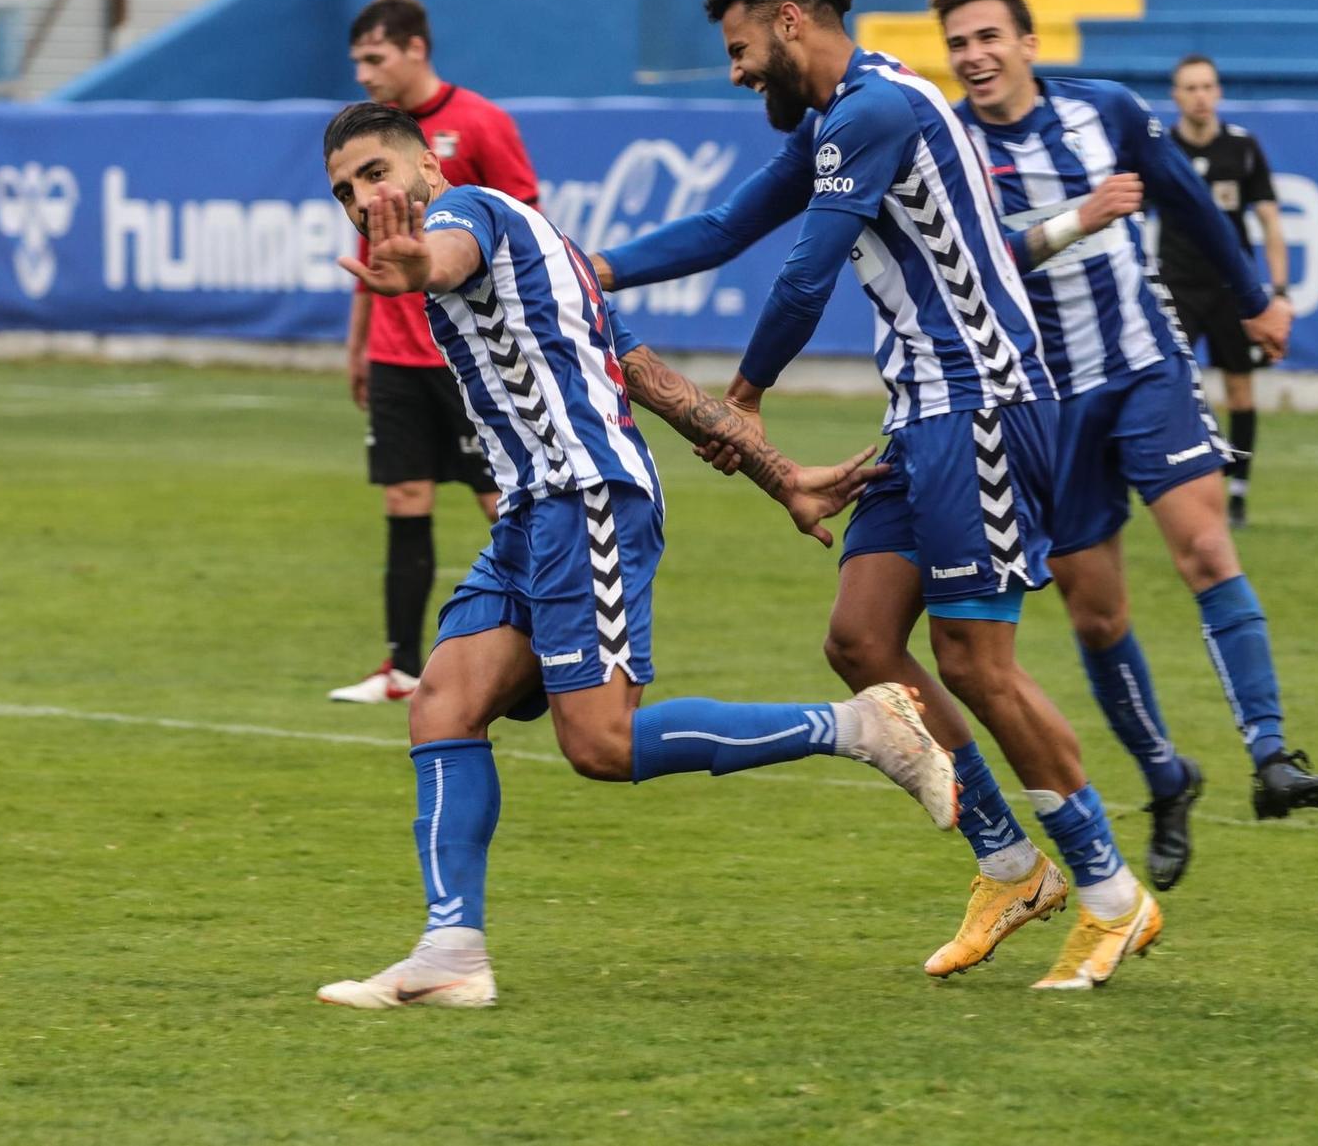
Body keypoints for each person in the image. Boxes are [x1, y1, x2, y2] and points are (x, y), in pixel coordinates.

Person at [313, 101, 959, 1009]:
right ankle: (452, 951)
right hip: (534, 514)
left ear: (429, 160)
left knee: (602, 744)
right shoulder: (550, 249)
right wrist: (783, 477)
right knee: (443, 702)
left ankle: (862, 727)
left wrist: (416, 262)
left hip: (587, 505)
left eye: (375, 172)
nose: (362, 197)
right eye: (344, 190)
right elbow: (643, 373)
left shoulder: (469, 217)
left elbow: (443, 250)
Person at [596, 0, 1160, 990]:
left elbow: (806, 273)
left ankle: (1110, 893)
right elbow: (725, 228)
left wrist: (747, 397)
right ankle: (1006, 864)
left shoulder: (873, 110)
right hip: (922, 414)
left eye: (737, 51)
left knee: (974, 662)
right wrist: (599, 265)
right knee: (858, 641)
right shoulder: (838, 117)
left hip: (982, 404)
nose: (733, 74)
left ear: (791, 22)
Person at [929, 0, 1318, 890]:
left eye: (989, 36)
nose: (975, 55)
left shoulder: (1104, 109)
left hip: (1145, 365)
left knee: (1202, 546)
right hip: (1047, 397)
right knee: (1096, 610)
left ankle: (1271, 753)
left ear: (1030, 44)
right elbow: (985, 249)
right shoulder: (949, 146)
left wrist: (1255, 299)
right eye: (958, 44)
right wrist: (1080, 215)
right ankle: (1166, 776)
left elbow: (1187, 199)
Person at [328, 0, 542, 705]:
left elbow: (521, 223)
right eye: (357, 60)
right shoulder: (368, 154)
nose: (364, 73)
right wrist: (358, 346)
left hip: (468, 357)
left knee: (503, 501)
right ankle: (399, 666)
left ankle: (550, 645)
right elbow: (375, 258)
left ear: (416, 49)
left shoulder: (479, 123)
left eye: (375, 57)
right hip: (394, 354)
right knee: (404, 496)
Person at [1160, 54, 1291, 530]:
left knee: (1240, 387)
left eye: (1207, 86)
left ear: (1218, 92)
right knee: (1173, 387)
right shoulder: (1161, 148)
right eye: (1189, 87)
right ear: (1175, 95)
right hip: (1177, 282)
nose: (1199, 95)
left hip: (1231, 287)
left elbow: (1271, 223)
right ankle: (1183, 485)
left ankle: (1238, 492)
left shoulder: (1242, 148)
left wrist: (1277, 290)